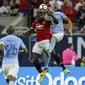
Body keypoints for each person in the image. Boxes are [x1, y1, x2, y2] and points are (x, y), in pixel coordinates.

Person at [24, 7, 58, 82]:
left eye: (40, 15)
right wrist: (26, 33)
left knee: (49, 51)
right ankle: (41, 72)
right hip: (38, 42)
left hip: (46, 40)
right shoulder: (35, 23)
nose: (37, 17)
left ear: (43, 16)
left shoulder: (47, 21)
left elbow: (56, 22)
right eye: (37, 15)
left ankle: (48, 59)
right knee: (35, 61)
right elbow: (32, 30)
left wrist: (51, 15)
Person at [44, 5, 72, 75]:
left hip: (59, 34)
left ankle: (48, 52)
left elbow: (69, 21)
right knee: (52, 53)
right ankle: (47, 67)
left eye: (49, 8)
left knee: (49, 49)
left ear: (52, 8)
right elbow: (50, 24)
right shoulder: (47, 17)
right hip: (52, 35)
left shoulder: (59, 14)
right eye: (47, 9)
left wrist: (70, 29)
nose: (48, 10)